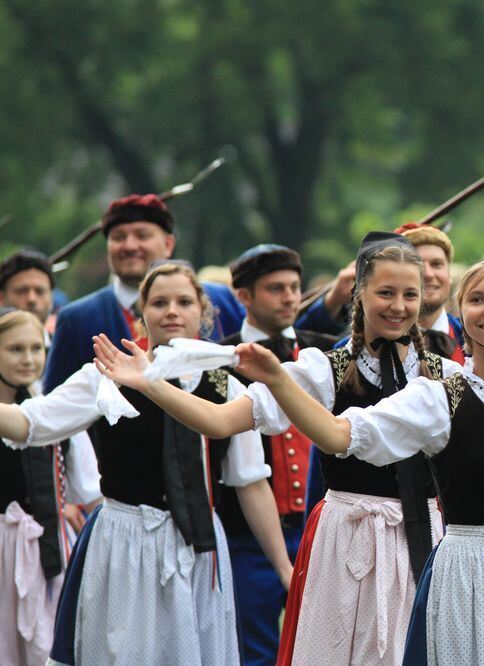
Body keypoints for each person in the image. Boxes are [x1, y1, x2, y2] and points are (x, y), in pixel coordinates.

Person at [107, 257, 484, 664]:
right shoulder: (433, 392)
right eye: (478, 299)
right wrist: (263, 382)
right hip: (453, 565)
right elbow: (340, 436)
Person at [93, 233, 461, 665]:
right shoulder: (323, 369)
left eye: (409, 294)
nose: (398, 305)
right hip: (348, 536)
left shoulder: (446, 376)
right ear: (359, 295)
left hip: (426, 536)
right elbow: (220, 420)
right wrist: (151, 384)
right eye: (385, 292)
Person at [1, 262, 292, 664]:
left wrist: (284, 568)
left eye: (184, 301)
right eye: (159, 302)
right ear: (142, 313)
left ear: (202, 313)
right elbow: (31, 422)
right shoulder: (106, 376)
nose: (172, 310)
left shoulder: (227, 386)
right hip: (126, 539)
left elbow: (250, 483)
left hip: (199, 546)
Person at [217, 244, 338, 665]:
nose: (289, 296)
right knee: (254, 651)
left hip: (321, 531)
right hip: (247, 536)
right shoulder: (223, 361)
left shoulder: (326, 354)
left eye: (293, 287)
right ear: (244, 297)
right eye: (275, 288)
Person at [42, 194, 246, 392]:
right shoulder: (76, 319)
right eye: (119, 237)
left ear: (168, 244)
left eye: (142, 235)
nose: (130, 246)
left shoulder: (219, 298)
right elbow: (55, 405)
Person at [0, 308, 101, 665]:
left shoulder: (54, 409)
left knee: (48, 642)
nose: (28, 359)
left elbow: (91, 489)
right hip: (2, 547)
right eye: (15, 349)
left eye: (37, 348)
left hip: (49, 547)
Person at [395, 222, 466, 363]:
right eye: (417, 264)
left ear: (449, 275)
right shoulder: (359, 350)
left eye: (437, 264)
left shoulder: (478, 342)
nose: (428, 274)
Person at [0, 250, 55, 328]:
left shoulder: (64, 339)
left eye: (40, 291)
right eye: (22, 291)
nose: (32, 299)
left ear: (51, 297)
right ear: (1, 298)